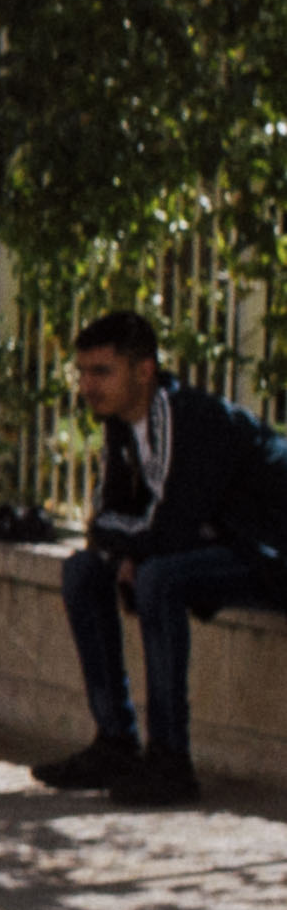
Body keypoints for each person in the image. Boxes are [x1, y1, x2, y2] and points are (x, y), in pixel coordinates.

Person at [44, 306, 284, 804]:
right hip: (225, 547)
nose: (88, 386)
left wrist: (132, 546)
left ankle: (170, 761)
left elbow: (167, 525)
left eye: (102, 372)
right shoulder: (121, 424)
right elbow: (106, 520)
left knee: (159, 579)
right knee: (83, 571)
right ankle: (115, 742)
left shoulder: (188, 417)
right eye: (83, 373)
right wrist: (126, 547)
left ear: (144, 371)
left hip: (271, 553)